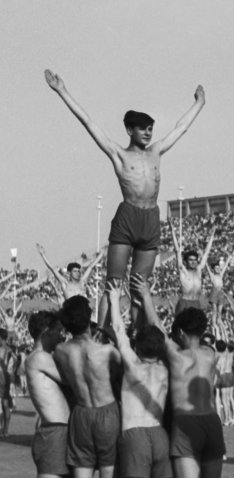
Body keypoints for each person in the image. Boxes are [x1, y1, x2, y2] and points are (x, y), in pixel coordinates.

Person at [44, 69, 206, 328]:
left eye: (150, 128)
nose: (148, 132)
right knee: (114, 283)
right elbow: (89, 123)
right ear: (130, 130)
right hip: (128, 216)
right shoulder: (118, 154)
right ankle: (104, 330)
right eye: (142, 128)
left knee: (140, 287)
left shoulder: (156, 151)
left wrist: (199, 103)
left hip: (151, 217)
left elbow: (181, 128)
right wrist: (62, 91)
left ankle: (140, 335)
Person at [133, 275, 225, 478]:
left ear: (183, 333)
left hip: (186, 424)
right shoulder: (211, 354)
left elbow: (158, 329)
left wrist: (146, 297)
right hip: (212, 421)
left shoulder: (176, 355)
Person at [106, 282, 183, 478]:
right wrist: (146, 300)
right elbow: (159, 333)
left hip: (135, 435)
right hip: (159, 435)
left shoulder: (133, 367)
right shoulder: (165, 368)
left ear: (139, 346)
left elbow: (118, 330)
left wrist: (114, 298)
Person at [53, 296, 122, 478]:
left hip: (80, 415)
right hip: (106, 413)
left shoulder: (61, 351)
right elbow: (124, 372)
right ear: (88, 317)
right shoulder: (107, 352)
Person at [25, 311, 72, 478]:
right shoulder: (40, 357)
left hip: (59, 431)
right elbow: (70, 378)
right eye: (57, 331)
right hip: (52, 432)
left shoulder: (43, 357)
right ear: (46, 333)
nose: (62, 335)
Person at [169, 219, 217, 315]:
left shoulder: (198, 270)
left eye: (195, 260)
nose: (193, 262)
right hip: (184, 303)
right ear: (186, 262)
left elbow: (206, 253)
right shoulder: (183, 270)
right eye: (190, 260)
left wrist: (212, 234)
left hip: (196, 303)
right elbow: (177, 250)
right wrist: (172, 231)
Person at [36, 245, 105, 303]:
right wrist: (43, 255)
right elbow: (52, 269)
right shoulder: (65, 283)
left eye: (78, 271)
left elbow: (90, 267)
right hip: (69, 314)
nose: (77, 273)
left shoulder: (82, 282)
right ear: (69, 273)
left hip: (81, 314)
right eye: (75, 271)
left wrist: (101, 255)